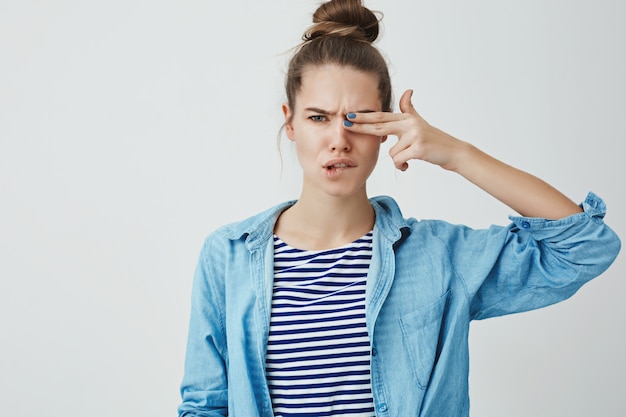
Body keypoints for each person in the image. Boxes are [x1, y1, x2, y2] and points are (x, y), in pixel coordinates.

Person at [177, 0, 621, 416]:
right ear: (289, 122)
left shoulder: (439, 255)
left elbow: (584, 247)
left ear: (386, 125)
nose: (339, 139)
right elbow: (204, 405)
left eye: (358, 119)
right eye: (318, 117)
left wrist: (457, 154)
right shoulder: (228, 256)